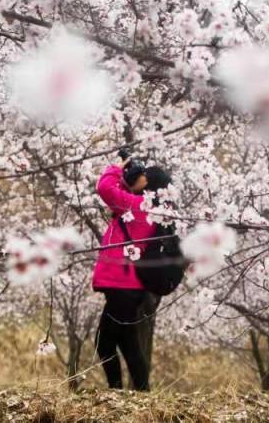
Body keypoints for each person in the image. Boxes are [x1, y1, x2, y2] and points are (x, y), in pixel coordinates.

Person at [92, 157, 171, 391]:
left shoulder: (138, 207)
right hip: (126, 285)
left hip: (123, 285)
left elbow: (105, 188)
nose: (138, 175)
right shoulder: (145, 207)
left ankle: (116, 391)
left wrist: (117, 167)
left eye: (143, 175)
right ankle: (142, 392)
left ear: (150, 185)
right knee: (128, 343)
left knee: (104, 344)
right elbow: (117, 197)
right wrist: (127, 182)